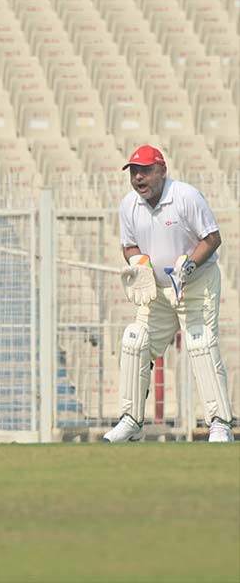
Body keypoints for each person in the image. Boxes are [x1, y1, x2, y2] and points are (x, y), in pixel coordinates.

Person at [107, 145, 233, 442]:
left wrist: (188, 266)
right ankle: (131, 421)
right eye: (135, 172)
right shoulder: (129, 205)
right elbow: (129, 245)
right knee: (135, 341)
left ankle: (219, 424)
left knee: (201, 343)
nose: (139, 178)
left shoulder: (186, 196)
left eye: (146, 171)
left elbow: (212, 238)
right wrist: (138, 266)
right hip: (158, 290)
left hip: (196, 283)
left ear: (162, 171)